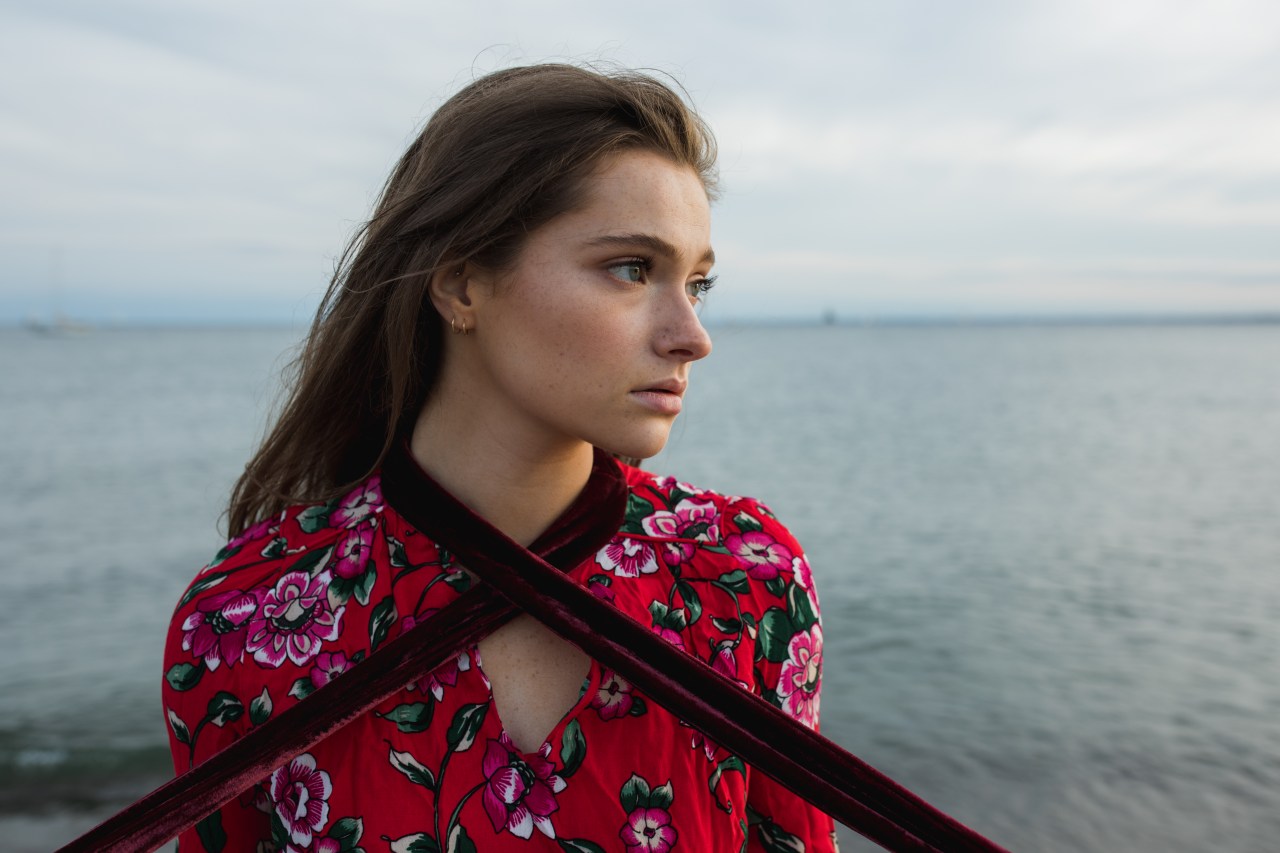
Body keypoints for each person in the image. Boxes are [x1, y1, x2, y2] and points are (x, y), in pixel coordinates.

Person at [163, 63, 836, 852]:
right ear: (460, 284)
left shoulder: (741, 577)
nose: (692, 334)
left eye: (696, 282)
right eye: (632, 269)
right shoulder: (250, 616)